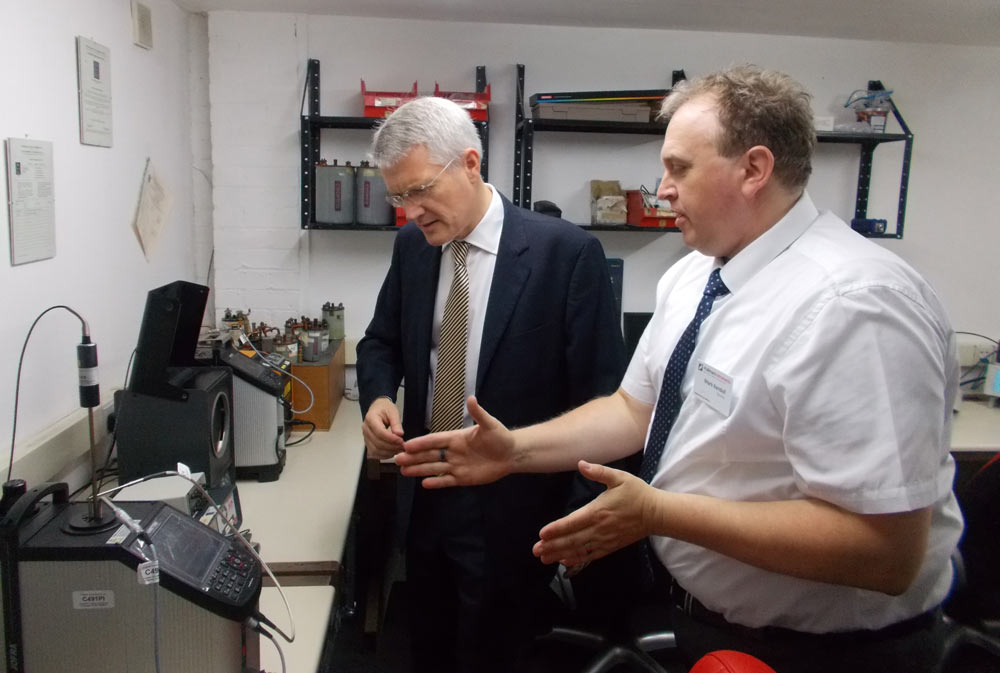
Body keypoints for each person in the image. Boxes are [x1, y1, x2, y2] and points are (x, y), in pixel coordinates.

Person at [397, 66, 964, 673]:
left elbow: (884, 554)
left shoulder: (854, 304)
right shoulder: (698, 274)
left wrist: (660, 513)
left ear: (754, 169)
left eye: (680, 168)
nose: (662, 189)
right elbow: (633, 410)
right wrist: (514, 451)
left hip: (823, 652)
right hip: (708, 623)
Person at [355, 96, 628, 673]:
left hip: (516, 512)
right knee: (427, 645)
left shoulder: (567, 254)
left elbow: (602, 397)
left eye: (422, 189)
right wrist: (379, 397)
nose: (412, 212)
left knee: (498, 655)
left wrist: (578, 526)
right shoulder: (413, 249)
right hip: (426, 494)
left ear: (471, 163)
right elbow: (379, 341)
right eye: (400, 197)